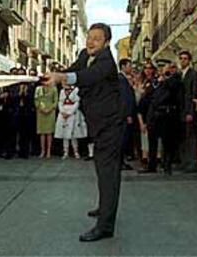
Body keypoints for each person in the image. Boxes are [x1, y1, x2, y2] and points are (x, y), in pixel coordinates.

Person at [43, 22, 124, 242]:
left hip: (111, 125)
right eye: (89, 37)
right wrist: (54, 75)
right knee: (101, 168)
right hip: (98, 124)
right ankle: (105, 206)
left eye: (96, 38)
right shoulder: (84, 55)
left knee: (108, 173)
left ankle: (105, 226)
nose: (90, 41)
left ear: (106, 42)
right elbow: (74, 70)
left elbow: (88, 77)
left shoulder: (107, 62)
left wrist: (62, 78)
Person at [178, 51, 197, 173]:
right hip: (180, 111)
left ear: (189, 60)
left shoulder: (193, 74)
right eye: (181, 58)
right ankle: (184, 162)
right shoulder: (179, 74)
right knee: (183, 137)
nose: (183, 61)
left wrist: (191, 112)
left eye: (185, 59)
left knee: (191, 137)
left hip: (189, 111)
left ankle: (192, 163)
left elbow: (194, 93)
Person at [54, 85, 87, 159]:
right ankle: (65, 152)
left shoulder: (76, 90)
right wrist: (62, 111)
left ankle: (76, 152)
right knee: (64, 133)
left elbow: (77, 102)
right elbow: (60, 102)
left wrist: (70, 113)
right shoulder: (62, 91)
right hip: (63, 113)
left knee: (73, 134)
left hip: (73, 113)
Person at [118, 58, 136, 170]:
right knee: (123, 139)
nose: (131, 68)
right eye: (129, 66)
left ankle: (122, 161)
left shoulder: (123, 79)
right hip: (124, 115)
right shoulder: (121, 79)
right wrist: (128, 114)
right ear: (123, 67)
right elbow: (124, 99)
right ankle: (120, 162)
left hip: (125, 114)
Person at [34, 84, 58, 159]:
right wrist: (40, 108)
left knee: (49, 132)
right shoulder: (38, 88)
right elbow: (36, 99)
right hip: (40, 111)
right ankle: (42, 151)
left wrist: (50, 108)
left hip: (51, 111)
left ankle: (48, 151)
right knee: (42, 132)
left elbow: (56, 100)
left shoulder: (53, 88)